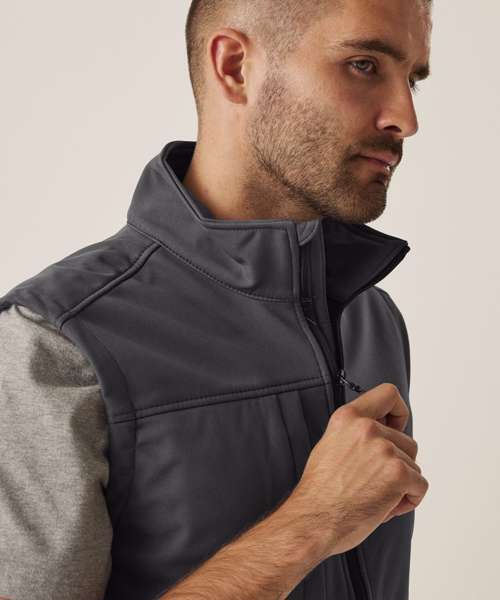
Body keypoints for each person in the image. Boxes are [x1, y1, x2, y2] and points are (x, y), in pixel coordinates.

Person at [0, 1, 432, 599]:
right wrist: (310, 523)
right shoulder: (55, 344)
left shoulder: (369, 315)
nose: (406, 117)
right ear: (234, 67)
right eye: (364, 65)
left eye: (413, 79)